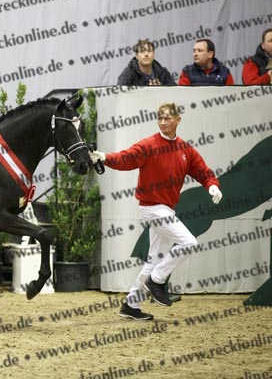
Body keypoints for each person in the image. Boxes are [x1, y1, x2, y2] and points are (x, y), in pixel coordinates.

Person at [89, 103, 222, 320]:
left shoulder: (186, 150)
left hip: (165, 209)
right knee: (189, 243)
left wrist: (212, 185)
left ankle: (131, 305)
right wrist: (104, 157)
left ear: (178, 120)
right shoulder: (148, 145)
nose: (162, 122)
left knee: (154, 259)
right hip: (152, 208)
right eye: (159, 118)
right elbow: (126, 158)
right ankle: (156, 280)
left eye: (167, 118)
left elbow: (203, 172)